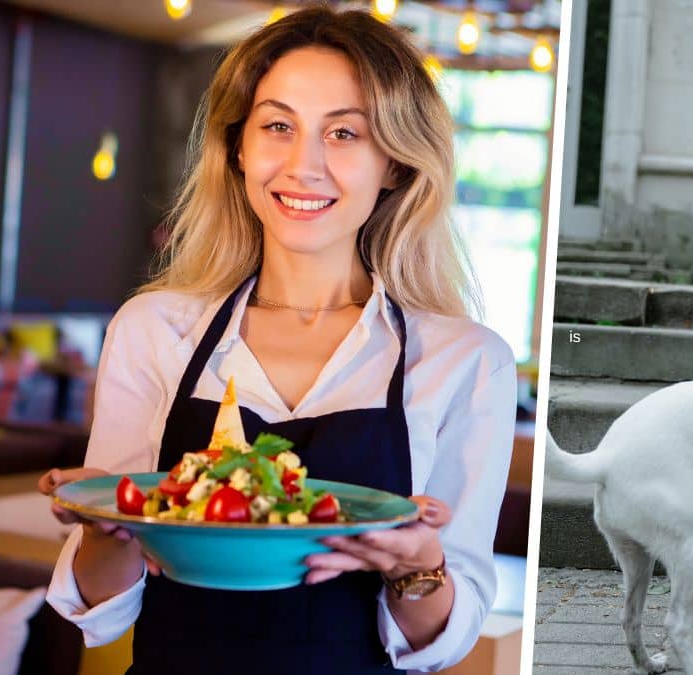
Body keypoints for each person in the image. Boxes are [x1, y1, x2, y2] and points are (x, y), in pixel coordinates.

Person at [36, 6, 517, 673]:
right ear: (238, 146)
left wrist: (418, 568)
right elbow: (103, 605)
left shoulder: (466, 360)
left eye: (345, 132)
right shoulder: (154, 330)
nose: (303, 164)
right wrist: (106, 524)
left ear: (397, 166)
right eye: (278, 125)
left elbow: (443, 640)